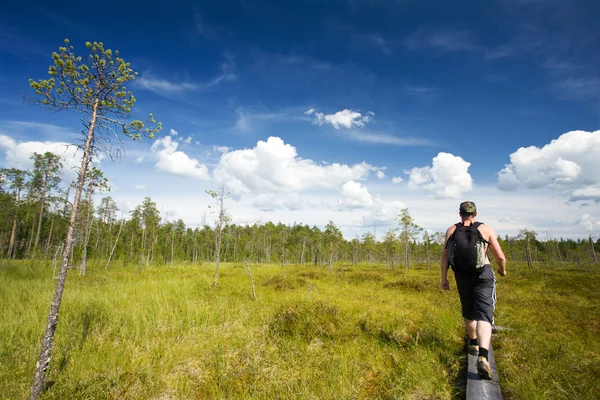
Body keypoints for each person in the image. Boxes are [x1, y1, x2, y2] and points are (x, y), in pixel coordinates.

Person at [440, 201, 507, 380]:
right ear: (475, 213)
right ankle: (483, 356)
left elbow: (445, 256)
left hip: (462, 275)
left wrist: (444, 278)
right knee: (484, 314)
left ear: (459, 213)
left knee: (468, 310)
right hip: (483, 272)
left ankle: (473, 344)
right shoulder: (486, 229)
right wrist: (502, 269)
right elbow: (500, 256)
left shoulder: (451, 231)